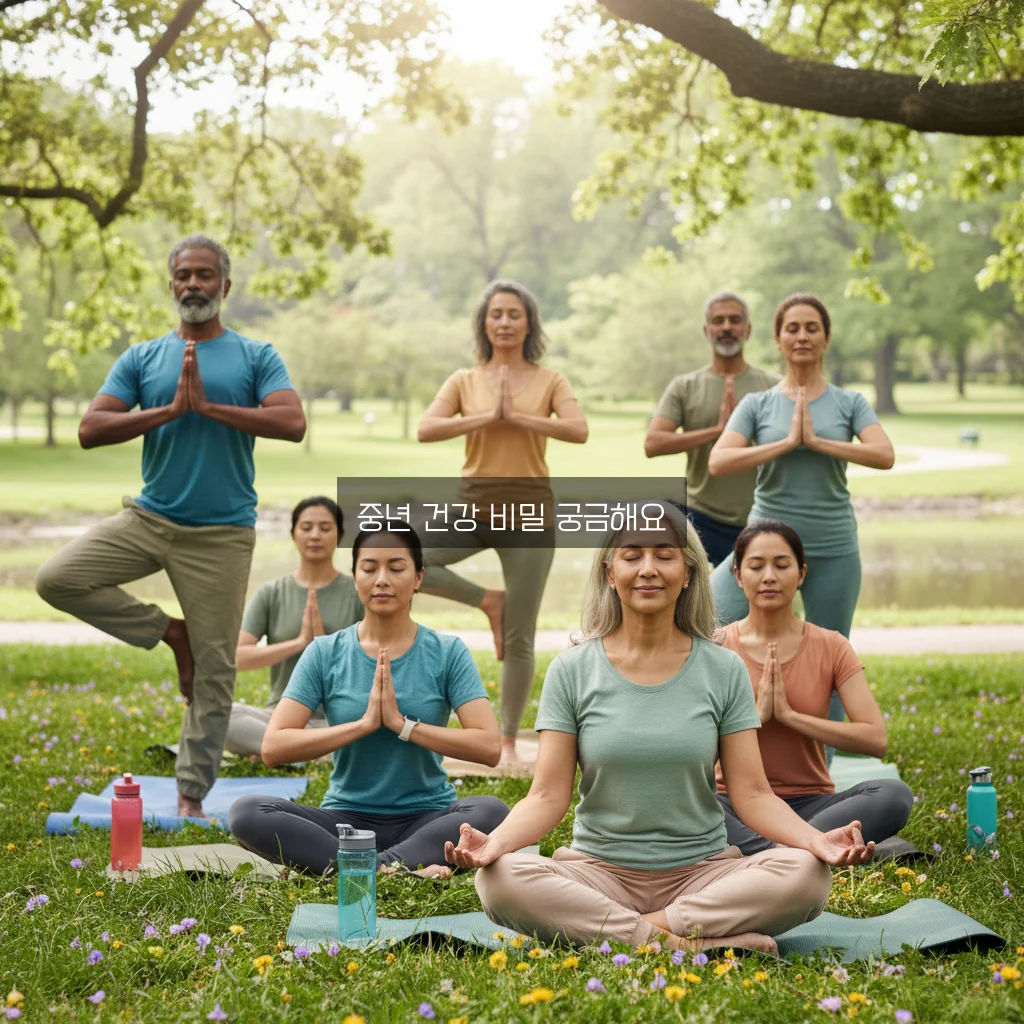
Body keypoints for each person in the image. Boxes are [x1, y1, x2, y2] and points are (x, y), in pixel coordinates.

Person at [444, 506, 874, 953]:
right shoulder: (571, 670)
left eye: (664, 556)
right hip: (599, 873)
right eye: (632, 556)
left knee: (806, 874)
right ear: (610, 573)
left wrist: (814, 841)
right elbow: (546, 797)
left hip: (702, 874)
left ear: (688, 573)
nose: (648, 569)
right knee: (500, 879)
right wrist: (495, 844)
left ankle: (629, 935)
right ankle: (684, 945)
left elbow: (753, 794)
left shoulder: (723, 668)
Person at [35, 234, 305, 818]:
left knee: (217, 669)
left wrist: (211, 409)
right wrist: (170, 410)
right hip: (149, 517)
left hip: (221, 533)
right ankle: (169, 631)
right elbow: (90, 428)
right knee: (57, 578)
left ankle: (189, 796)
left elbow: (292, 420)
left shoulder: (257, 355)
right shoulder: (142, 358)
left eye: (205, 275)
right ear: (171, 284)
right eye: (183, 274)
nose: (193, 285)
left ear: (225, 287)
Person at [228, 521, 510, 879]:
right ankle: (397, 870)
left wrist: (402, 725)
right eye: (369, 568)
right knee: (247, 812)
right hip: (344, 823)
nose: (382, 579)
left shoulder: (447, 652)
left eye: (396, 568)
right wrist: (362, 726)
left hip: (426, 819)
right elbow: (274, 746)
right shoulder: (325, 653)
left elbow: (488, 747)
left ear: (419, 577)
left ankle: (360, 869)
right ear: (354, 577)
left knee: (492, 811)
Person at [417, 280, 589, 764]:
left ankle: (509, 742)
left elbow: (578, 430)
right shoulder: (463, 380)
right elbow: (426, 429)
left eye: (515, 314)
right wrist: (486, 417)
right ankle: (486, 601)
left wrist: (520, 417)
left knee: (521, 636)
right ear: (484, 323)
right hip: (473, 506)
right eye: (497, 314)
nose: (506, 322)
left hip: (530, 512)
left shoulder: (549, 378)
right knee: (410, 557)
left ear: (529, 323)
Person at [708, 293, 895, 736]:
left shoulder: (850, 403)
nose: (802, 336)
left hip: (832, 545)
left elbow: (884, 454)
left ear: (826, 338)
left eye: (812, 327)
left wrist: (819, 442)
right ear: (777, 339)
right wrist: (786, 443)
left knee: (829, 659)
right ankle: (725, 746)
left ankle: (820, 769)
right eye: (792, 328)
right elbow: (719, 461)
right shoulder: (757, 405)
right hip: (764, 546)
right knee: (710, 626)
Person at [714, 520, 913, 855]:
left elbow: (875, 740)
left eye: (781, 565)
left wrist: (791, 717)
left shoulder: (831, 646)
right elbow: (690, 751)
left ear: (801, 574)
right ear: (737, 575)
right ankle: (802, 853)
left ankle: (771, 855)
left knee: (894, 795)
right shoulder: (714, 648)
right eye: (756, 566)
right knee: (684, 804)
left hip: (813, 807)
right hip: (733, 804)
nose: (769, 577)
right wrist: (756, 718)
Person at [645, 292, 780, 566]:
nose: (727, 327)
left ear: (748, 330)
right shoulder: (685, 386)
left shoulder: (774, 387)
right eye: (718, 321)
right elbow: (654, 444)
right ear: (707, 331)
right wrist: (717, 431)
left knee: (767, 604)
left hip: (761, 516)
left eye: (735, 320)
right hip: (701, 517)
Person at [229, 496, 364, 758]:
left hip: (340, 718)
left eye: (325, 528)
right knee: (218, 714)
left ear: (340, 535)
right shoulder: (272, 593)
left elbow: (381, 659)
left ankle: (287, 750)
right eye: (306, 527)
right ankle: (301, 748)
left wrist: (324, 649)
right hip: (281, 717)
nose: (315, 535)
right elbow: (236, 658)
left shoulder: (359, 592)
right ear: (293, 534)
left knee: (373, 730)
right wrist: (298, 644)